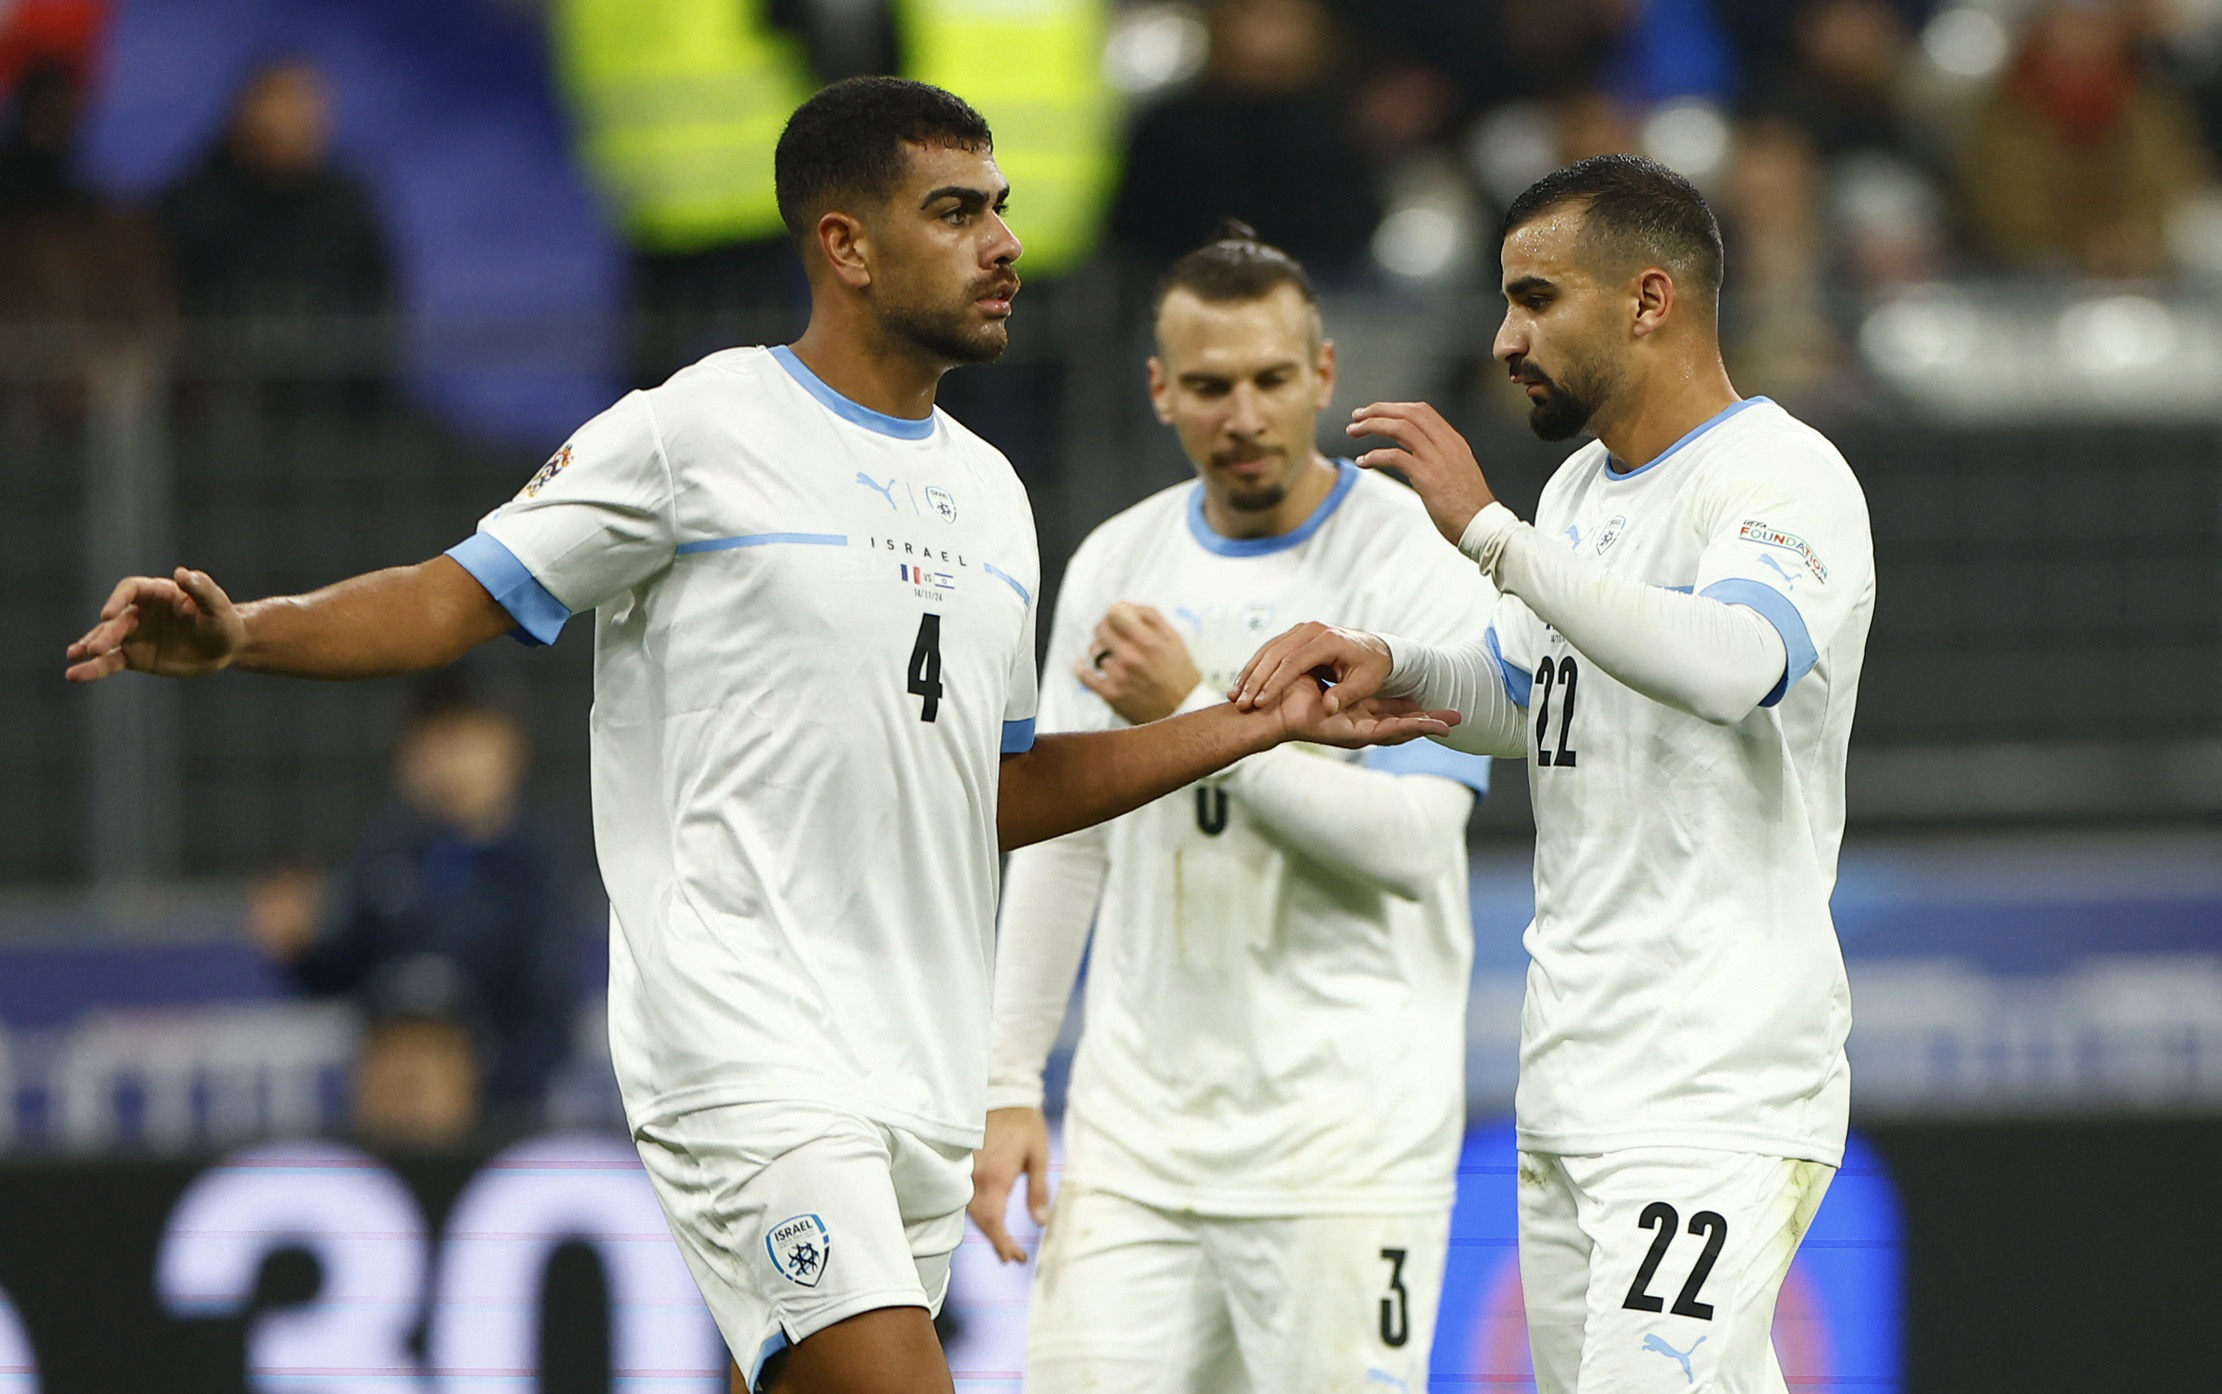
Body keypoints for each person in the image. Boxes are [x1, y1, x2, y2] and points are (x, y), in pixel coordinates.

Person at [64, 77, 1451, 1394]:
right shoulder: (697, 431)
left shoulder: (991, 496)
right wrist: (247, 630)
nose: (1005, 244)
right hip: (745, 1051)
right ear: (844, 244)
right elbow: (450, 595)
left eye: (1000, 205)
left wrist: (1240, 725)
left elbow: (998, 790)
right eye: (956, 212)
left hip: (912, 1071)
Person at [1233, 154, 1875, 1394]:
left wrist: (1486, 534)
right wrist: (1390, 667)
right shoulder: (1581, 488)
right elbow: (1532, 692)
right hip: (1573, 1067)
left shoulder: (1778, 477)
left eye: (1535, 299)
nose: (1504, 336)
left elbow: (1733, 661)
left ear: (1647, 300)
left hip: (1713, 1079)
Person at [968, 224, 1496, 1394]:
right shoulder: (1116, 559)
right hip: (1133, 1137)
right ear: (1159, 391)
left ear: (1321, 374)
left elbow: (1409, 845)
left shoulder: (1409, 555)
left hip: (1343, 1145)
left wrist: (1201, 711)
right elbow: (1064, 840)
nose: (1242, 414)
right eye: (1208, 386)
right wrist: (1009, 1078)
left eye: (1268, 380)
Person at [245, 685, 578, 1133]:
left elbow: (549, 1013)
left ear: (508, 747)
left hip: (495, 1124)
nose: (444, 759)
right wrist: (301, 948)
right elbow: (343, 970)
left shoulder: (535, 871)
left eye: (460, 738)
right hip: (387, 1110)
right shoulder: (387, 855)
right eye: (429, 740)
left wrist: (484, 1098)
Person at [155, 59, 393, 319]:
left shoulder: (346, 206)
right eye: (274, 105)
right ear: (241, 114)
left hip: (323, 359)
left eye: (299, 108)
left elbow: (382, 309)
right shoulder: (191, 206)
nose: (283, 124)